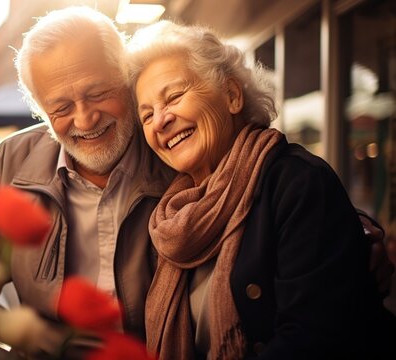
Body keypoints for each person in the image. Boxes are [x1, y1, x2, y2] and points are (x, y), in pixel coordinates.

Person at [0, 6, 390, 358]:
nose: (85, 119)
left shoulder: (171, 150)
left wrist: (353, 230)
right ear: (41, 112)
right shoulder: (15, 161)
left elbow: (256, 180)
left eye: (97, 92)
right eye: (61, 106)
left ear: (124, 82)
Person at [126, 21, 396, 359]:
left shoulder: (298, 182)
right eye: (147, 115)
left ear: (233, 96)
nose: (161, 120)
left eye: (175, 96)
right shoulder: (173, 213)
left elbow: (313, 339)